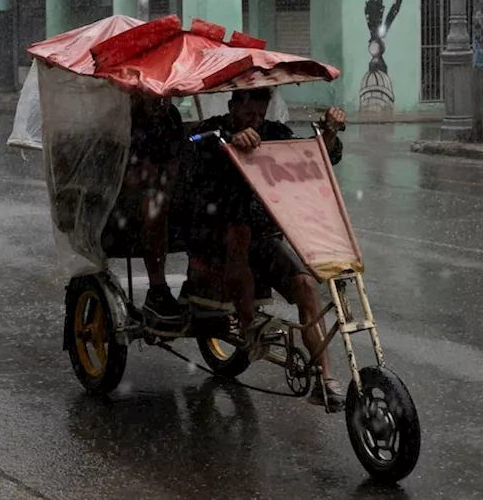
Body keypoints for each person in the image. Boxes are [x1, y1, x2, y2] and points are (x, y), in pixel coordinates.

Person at [193, 88, 348, 411]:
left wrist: (329, 130)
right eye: (249, 115)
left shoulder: (274, 133)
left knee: (306, 285)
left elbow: (315, 155)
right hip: (218, 237)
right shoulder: (212, 130)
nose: (257, 122)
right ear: (233, 106)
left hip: (262, 237)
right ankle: (250, 326)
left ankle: (326, 378)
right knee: (240, 232)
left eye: (261, 115)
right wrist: (231, 138)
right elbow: (195, 145)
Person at [126, 92, 186, 331]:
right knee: (155, 206)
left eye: (165, 98)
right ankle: (158, 288)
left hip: (160, 184)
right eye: (153, 98)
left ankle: (200, 283)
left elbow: (173, 163)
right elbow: (127, 171)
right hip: (127, 195)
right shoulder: (126, 118)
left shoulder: (170, 117)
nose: (160, 103)